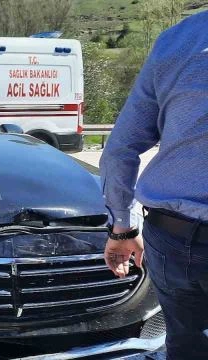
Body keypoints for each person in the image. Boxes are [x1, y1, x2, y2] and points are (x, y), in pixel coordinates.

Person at [100, 12, 208, 359]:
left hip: (172, 240)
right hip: (170, 242)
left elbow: (120, 149)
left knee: (185, 345)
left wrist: (122, 227)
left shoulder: (176, 41)